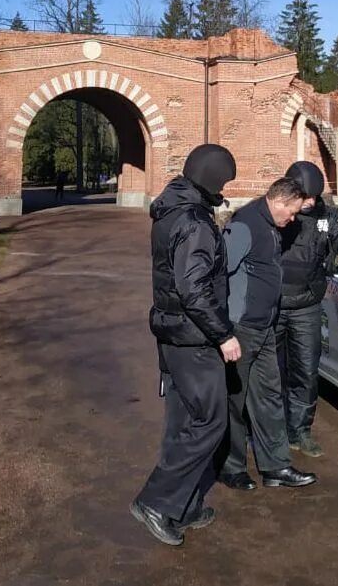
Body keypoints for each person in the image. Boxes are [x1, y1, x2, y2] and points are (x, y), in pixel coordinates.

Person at [131, 144, 242, 547]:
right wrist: (223, 334)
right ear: (211, 177)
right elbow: (193, 288)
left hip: (173, 332)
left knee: (183, 422)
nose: (225, 188)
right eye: (224, 181)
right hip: (194, 337)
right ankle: (157, 502)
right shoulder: (194, 221)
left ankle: (185, 504)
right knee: (211, 422)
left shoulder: (171, 209)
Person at [217, 177, 318, 491]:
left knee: (270, 399)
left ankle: (276, 466)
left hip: (265, 327)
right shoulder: (245, 224)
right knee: (234, 401)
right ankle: (231, 467)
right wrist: (222, 331)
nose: (292, 219)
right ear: (279, 201)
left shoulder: (273, 226)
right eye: (292, 212)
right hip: (241, 329)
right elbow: (218, 273)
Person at [277, 161, 338, 458]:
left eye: (314, 197)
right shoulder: (275, 212)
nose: (309, 203)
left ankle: (300, 432)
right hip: (273, 306)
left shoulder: (326, 217)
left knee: (306, 372)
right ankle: (270, 431)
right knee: (271, 373)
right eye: (305, 197)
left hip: (306, 306)